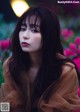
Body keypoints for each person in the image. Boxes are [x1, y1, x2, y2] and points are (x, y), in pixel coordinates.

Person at [0, 6, 80, 112]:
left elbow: (61, 108)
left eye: (34, 30)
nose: (25, 35)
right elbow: (5, 103)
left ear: (48, 35)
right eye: (23, 29)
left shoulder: (65, 71)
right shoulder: (12, 65)